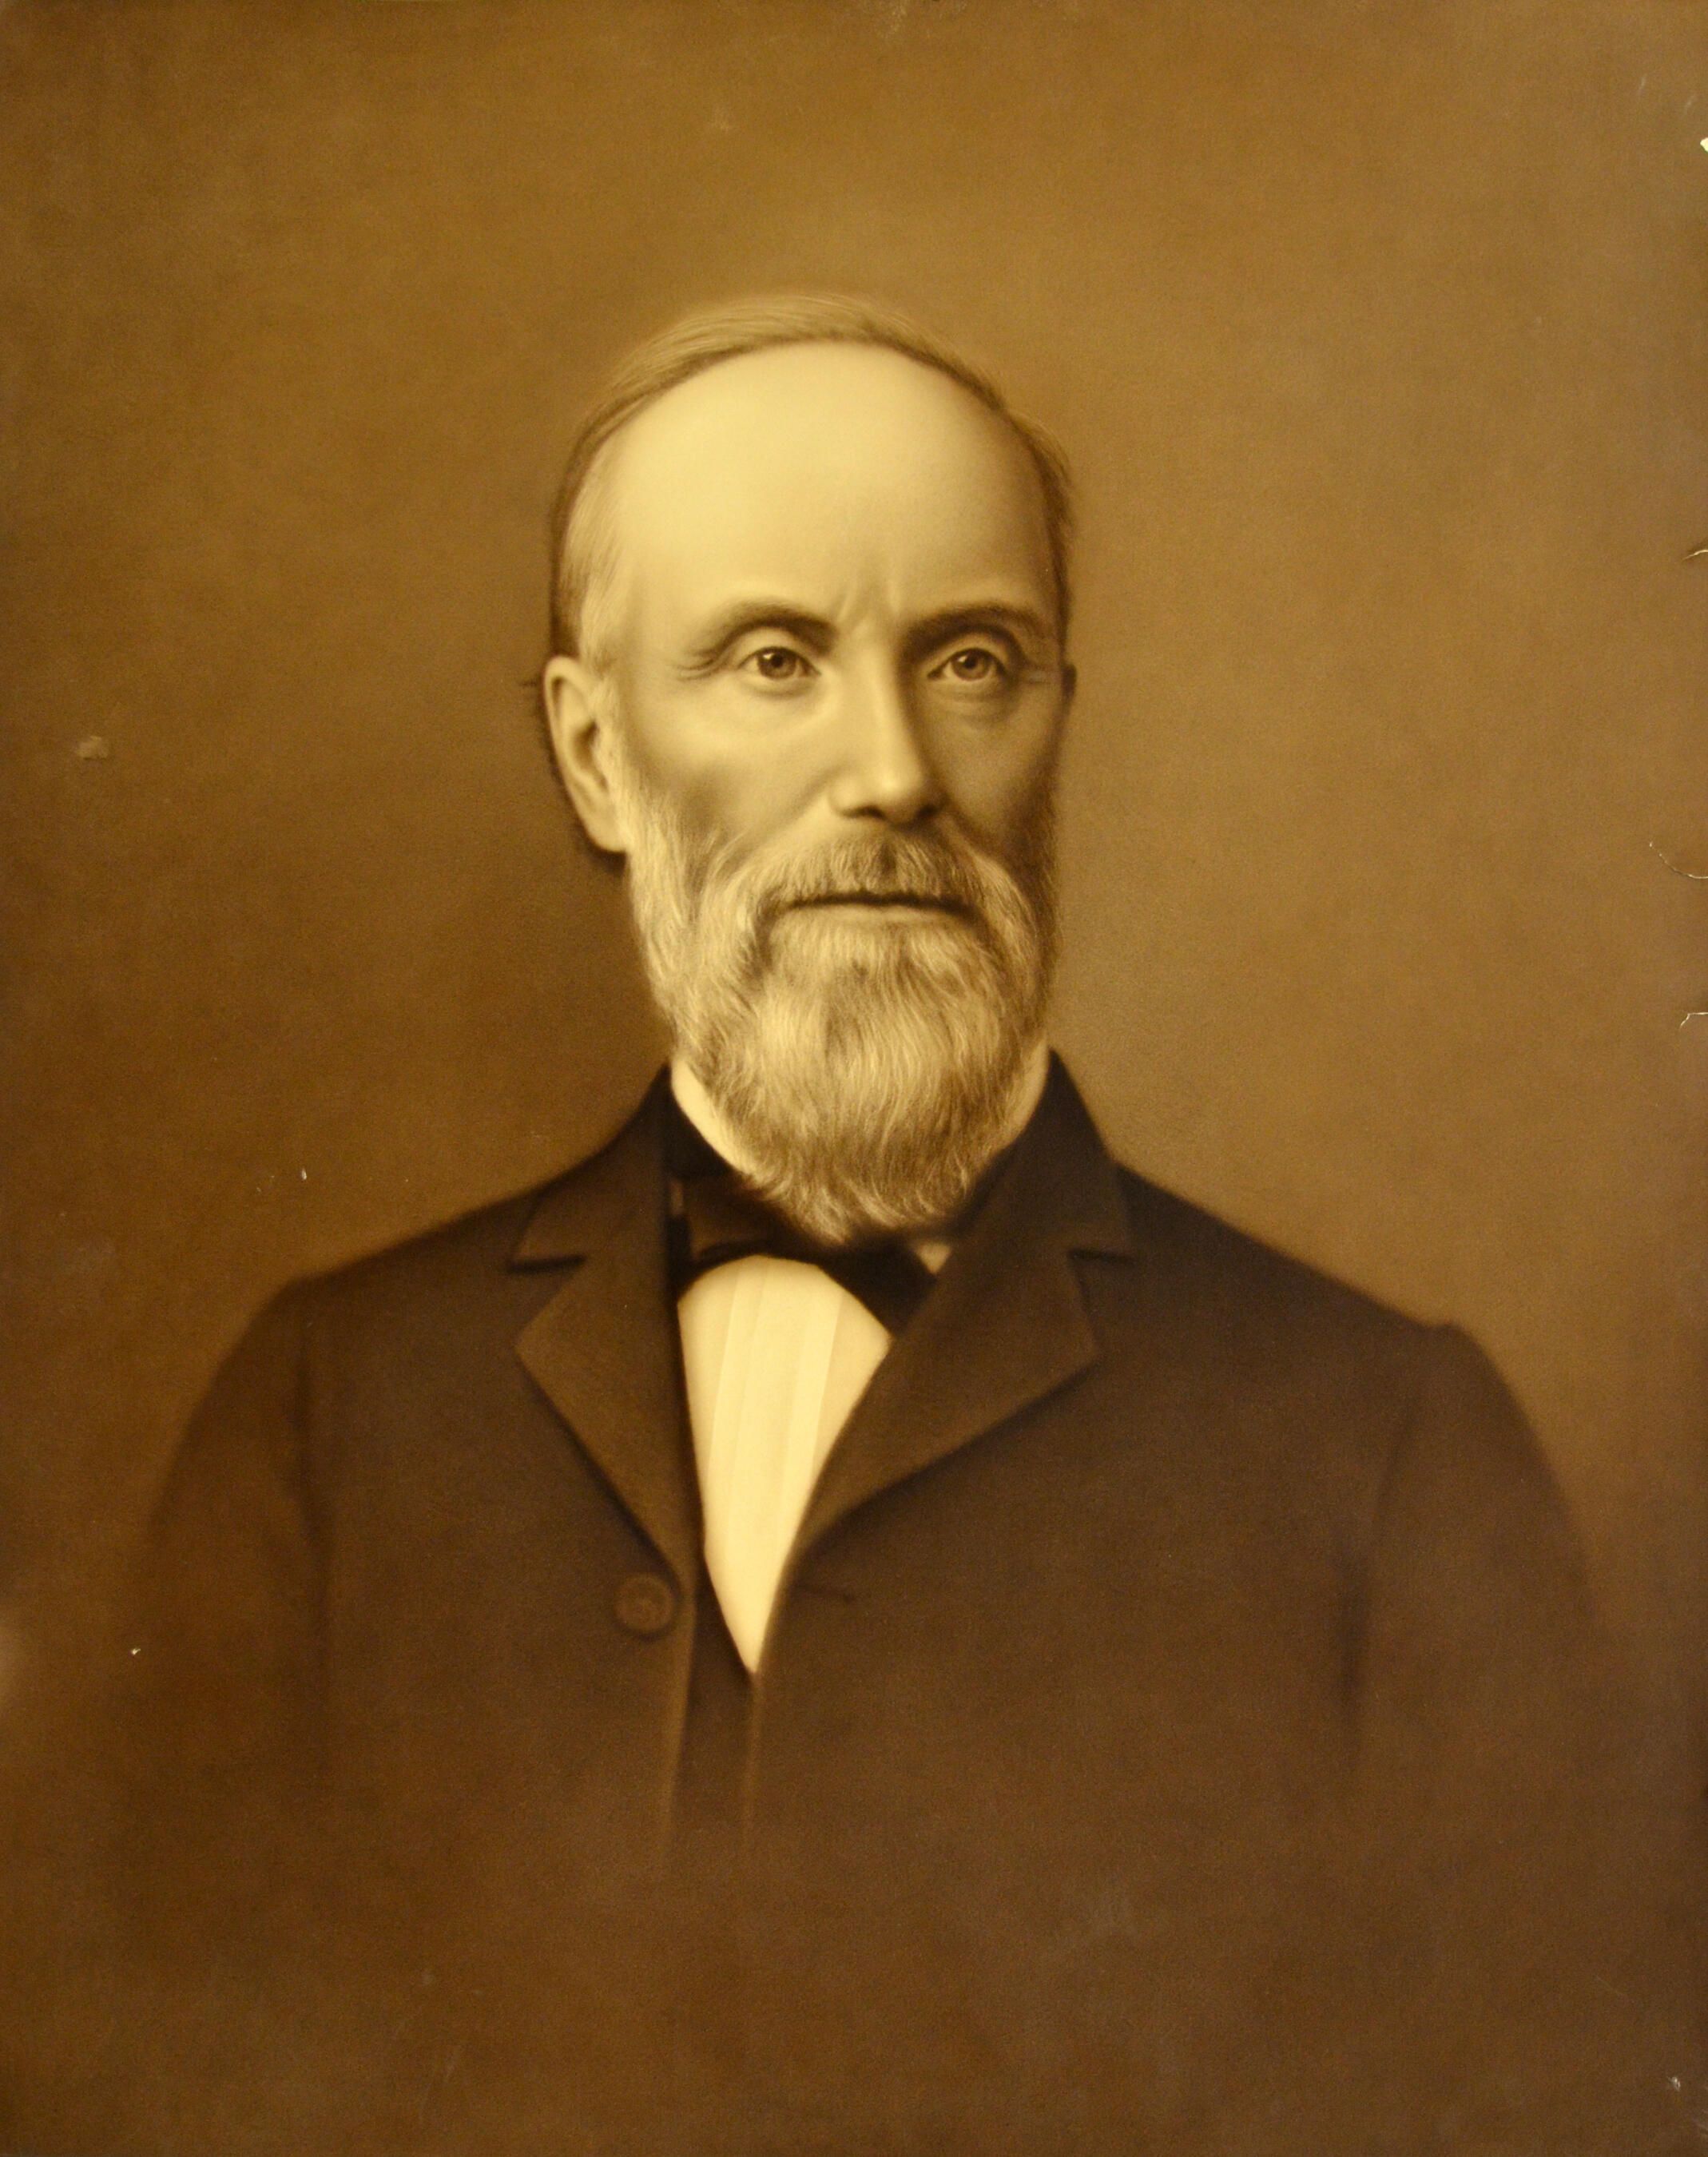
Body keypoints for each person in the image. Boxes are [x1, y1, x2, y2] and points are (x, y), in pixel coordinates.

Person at [27, 296, 1696, 2156]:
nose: (894, 768)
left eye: (972, 659)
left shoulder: (1391, 1448)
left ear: (1058, 718)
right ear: (593, 756)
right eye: (772, 660)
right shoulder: (321, 1412)